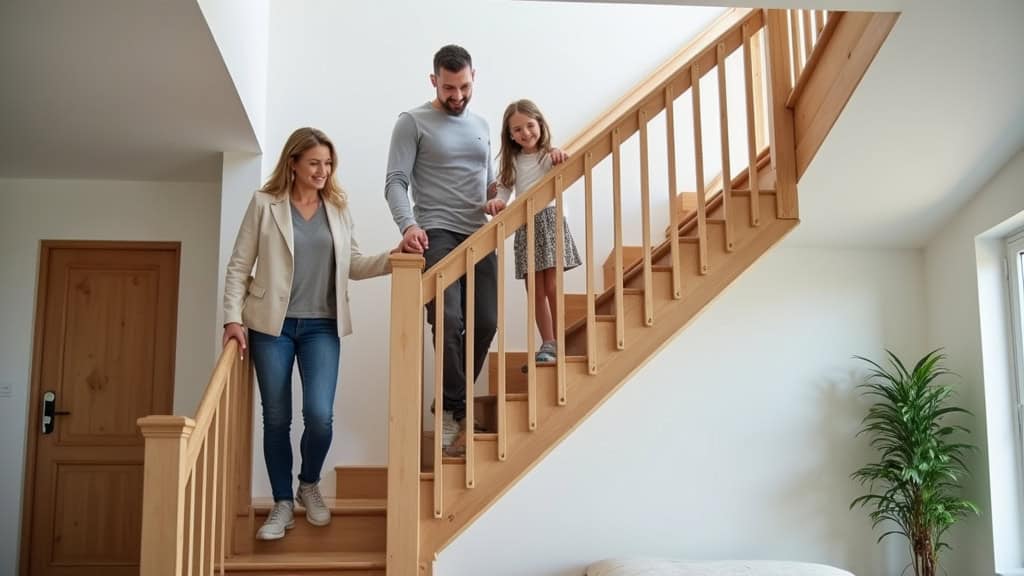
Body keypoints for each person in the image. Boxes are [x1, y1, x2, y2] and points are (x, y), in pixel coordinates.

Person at [223, 127, 395, 541]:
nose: (323, 170)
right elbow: (238, 265)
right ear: (294, 163)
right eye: (315, 162)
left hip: (322, 325)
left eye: (328, 163)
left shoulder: (337, 206)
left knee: (319, 416)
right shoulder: (265, 204)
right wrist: (231, 318)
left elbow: (353, 264)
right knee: (276, 417)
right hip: (271, 325)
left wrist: (395, 257)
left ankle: (309, 484)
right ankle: (281, 502)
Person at [385, 44, 497, 456]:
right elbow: (395, 180)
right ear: (434, 80)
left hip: (479, 232)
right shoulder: (412, 122)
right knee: (448, 319)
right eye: (449, 88)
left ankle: (451, 398)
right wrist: (408, 225)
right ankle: (453, 409)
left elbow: (488, 184)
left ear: (473, 78)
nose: (457, 96)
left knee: (486, 322)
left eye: (464, 86)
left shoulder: (483, 125)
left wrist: (498, 197)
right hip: (436, 232)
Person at [485, 99, 581, 364]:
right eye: (517, 129)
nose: (525, 133)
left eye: (529, 125)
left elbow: (562, 166)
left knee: (551, 284)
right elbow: (503, 192)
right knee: (534, 288)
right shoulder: (512, 162)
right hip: (525, 223)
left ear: (540, 123)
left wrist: (559, 156)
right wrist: (497, 202)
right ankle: (548, 342)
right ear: (510, 135)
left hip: (549, 219)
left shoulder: (549, 155)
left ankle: (561, 339)